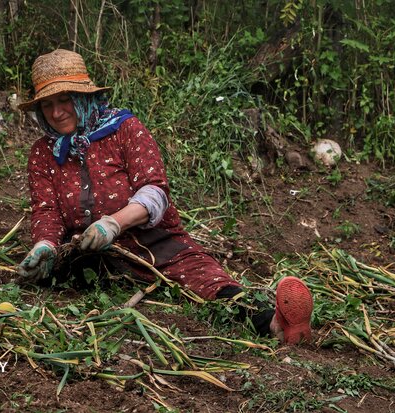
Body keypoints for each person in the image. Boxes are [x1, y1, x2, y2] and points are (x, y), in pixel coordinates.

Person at [17, 49, 313, 345]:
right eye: (47, 105)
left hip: (154, 242)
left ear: (83, 97)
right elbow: (47, 210)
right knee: (63, 278)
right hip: (93, 254)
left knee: (204, 279)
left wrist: (114, 224)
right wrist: (45, 245)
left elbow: (154, 191)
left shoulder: (125, 129)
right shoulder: (43, 153)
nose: (57, 113)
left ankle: (273, 322)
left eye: (64, 100)